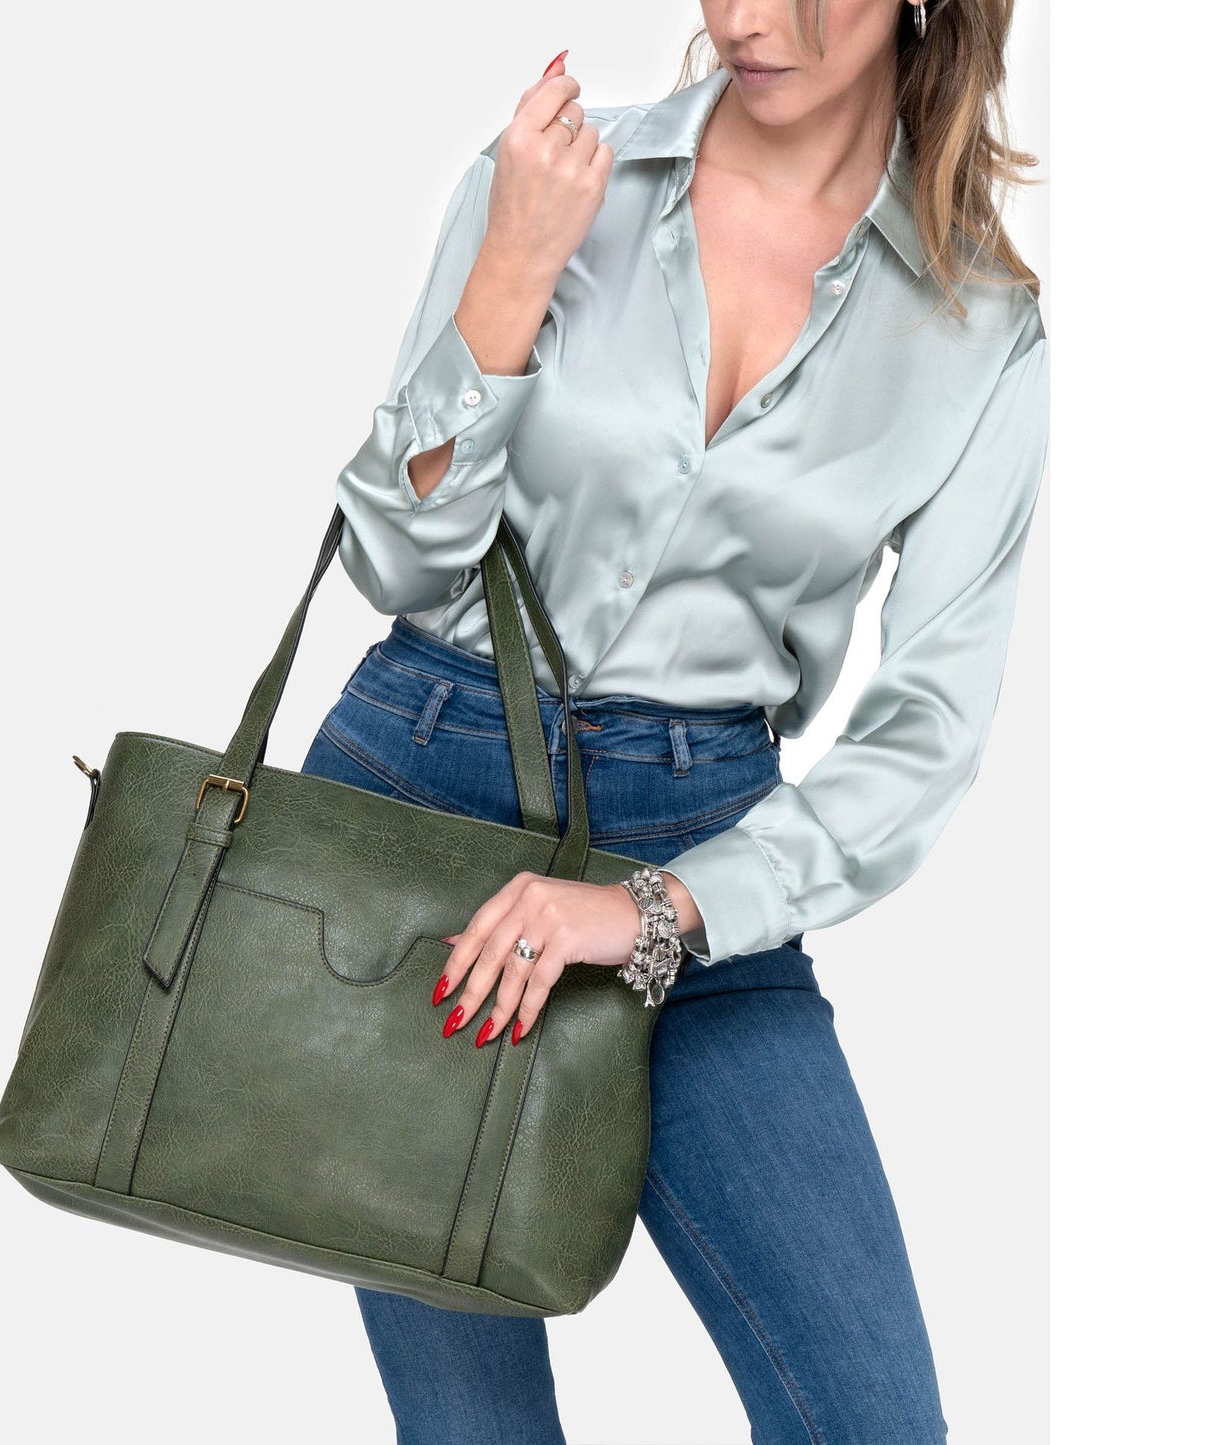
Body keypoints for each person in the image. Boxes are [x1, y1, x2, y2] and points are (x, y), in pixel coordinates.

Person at [300, 1, 1048, 1440]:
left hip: (701, 858)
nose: (743, 20)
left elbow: (924, 734)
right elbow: (394, 561)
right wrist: (512, 272)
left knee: (873, 1421)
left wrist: (653, 910)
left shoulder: (978, 333)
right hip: (416, 820)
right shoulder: (549, 182)